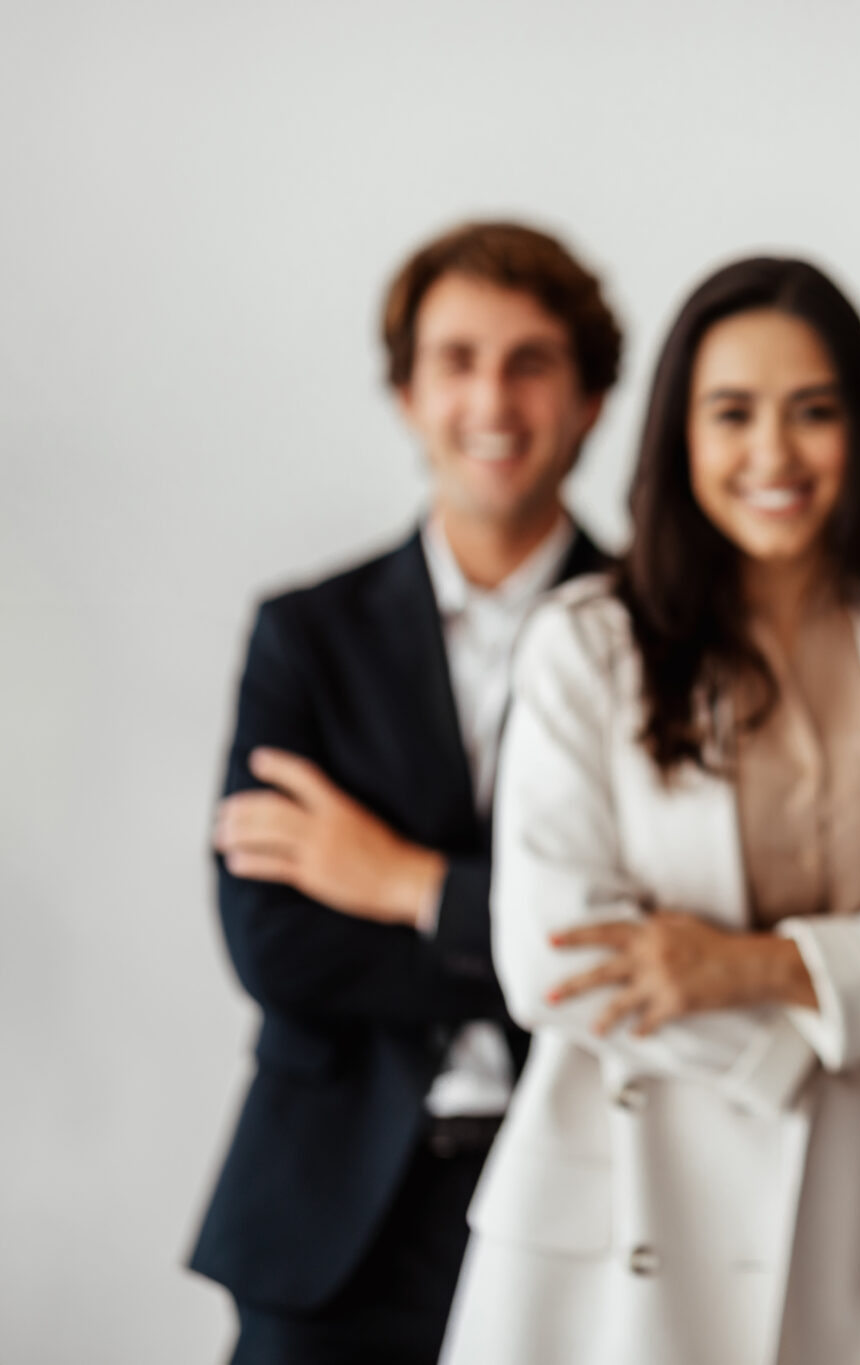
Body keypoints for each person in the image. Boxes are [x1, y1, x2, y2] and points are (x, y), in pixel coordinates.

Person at [439, 257, 860, 1365]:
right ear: (677, 437)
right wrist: (833, 1023)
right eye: (731, 414)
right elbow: (553, 964)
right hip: (630, 1224)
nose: (771, 455)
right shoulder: (590, 644)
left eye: (812, 413)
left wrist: (756, 969)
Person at [192, 221, 620, 1363]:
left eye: (531, 362)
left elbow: (650, 943)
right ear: (406, 393)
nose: (494, 397)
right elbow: (275, 944)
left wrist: (400, 882)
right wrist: (518, 931)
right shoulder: (306, 637)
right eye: (458, 359)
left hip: (589, 1201)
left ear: (588, 399)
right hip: (332, 1214)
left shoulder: (664, 639)